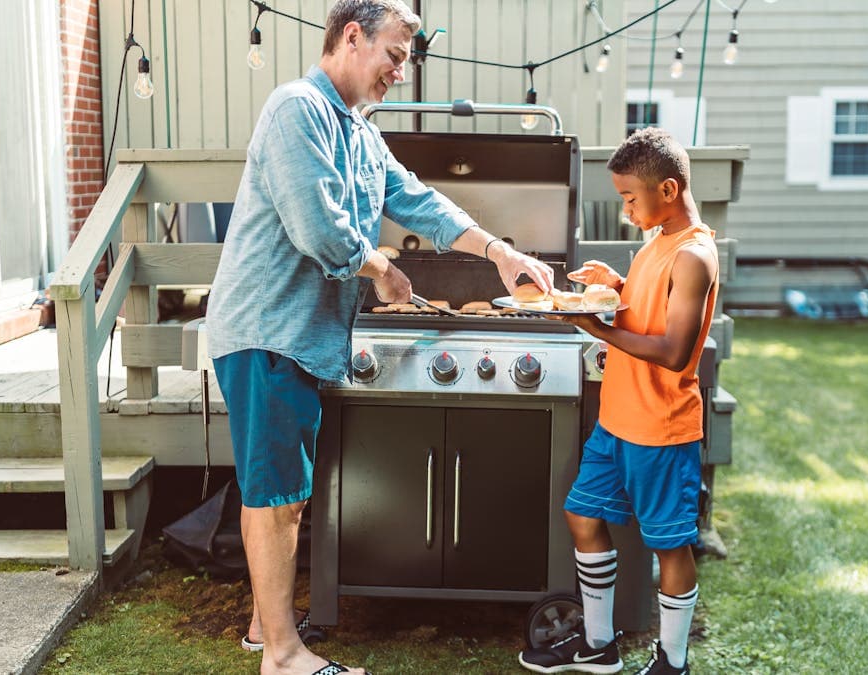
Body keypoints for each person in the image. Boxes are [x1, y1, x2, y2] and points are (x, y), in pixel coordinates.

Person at [204, 1, 554, 673]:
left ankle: (262, 627)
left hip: (298, 335)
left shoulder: (360, 130)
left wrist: (499, 252)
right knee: (277, 498)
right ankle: (283, 655)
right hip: (268, 328)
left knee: (281, 489)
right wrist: (384, 270)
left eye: (407, 60)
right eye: (394, 55)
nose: (401, 70)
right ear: (351, 37)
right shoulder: (297, 110)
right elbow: (319, 227)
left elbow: (418, 200)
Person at [517, 128, 718, 675]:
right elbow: (651, 304)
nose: (626, 209)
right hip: (618, 419)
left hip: (662, 429)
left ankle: (672, 661)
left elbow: (675, 352)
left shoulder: (694, 256)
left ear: (669, 189)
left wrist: (597, 329)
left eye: (630, 198)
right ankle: (599, 645)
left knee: (669, 545)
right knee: (582, 515)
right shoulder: (657, 243)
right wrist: (618, 285)